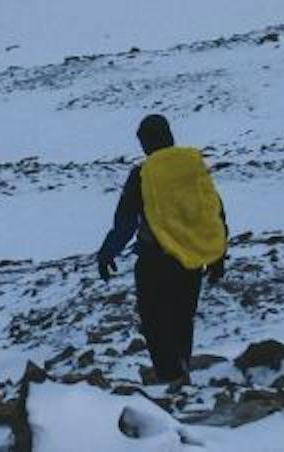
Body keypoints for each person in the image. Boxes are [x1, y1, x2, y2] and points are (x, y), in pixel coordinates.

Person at [95, 114, 229, 385]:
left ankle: (171, 379)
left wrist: (107, 253)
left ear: (145, 142)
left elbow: (126, 220)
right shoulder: (194, 166)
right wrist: (217, 255)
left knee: (155, 321)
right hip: (192, 260)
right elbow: (212, 211)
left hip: (155, 258)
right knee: (182, 319)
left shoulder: (144, 174)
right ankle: (181, 370)